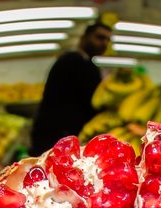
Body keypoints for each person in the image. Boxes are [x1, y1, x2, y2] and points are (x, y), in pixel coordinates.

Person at [30, 22, 112, 155]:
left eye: (107, 40)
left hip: (62, 136)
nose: (104, 43)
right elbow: (90, 100)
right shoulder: (73, 61)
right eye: (99, 37)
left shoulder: (88, 65)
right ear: (84, 37)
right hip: (55, 136)